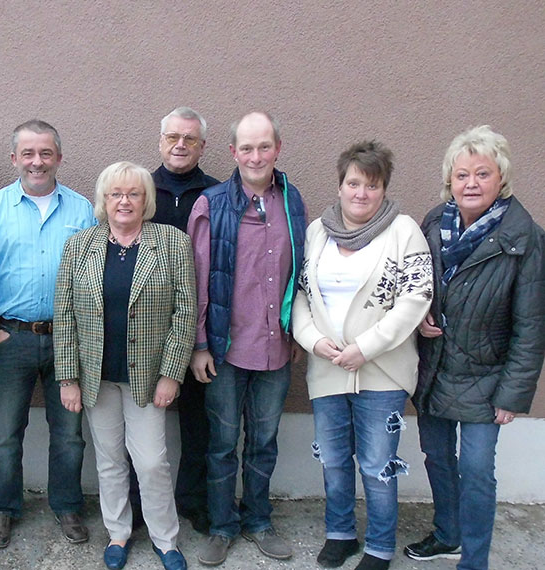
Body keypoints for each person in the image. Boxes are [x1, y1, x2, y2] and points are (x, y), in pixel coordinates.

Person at [406, 125, 545, 570]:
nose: (471, 184)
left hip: (489, 379)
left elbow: (531, 325)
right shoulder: (433, 222)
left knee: (478, 472)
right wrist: (419, 317)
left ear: (500, 178)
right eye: (462, 174)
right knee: (438, 459)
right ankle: (448, 534)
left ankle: (475, 560)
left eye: (482, 174)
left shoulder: (524, 237)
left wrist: (513, 395)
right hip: (437, 367)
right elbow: (416, 285)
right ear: (450, 179)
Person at [292, 141, 433, 570]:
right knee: (333, 460)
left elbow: (416, 299)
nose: (361, 193)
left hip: (381, 373)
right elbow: (299, 295)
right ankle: (340, 534)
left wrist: (365, 349)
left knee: (376, 465)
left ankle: (378, 547)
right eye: (353, 183)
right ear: (339, 186)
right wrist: (312, 339)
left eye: (372, 185)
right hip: (327, 367)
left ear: (384, 189)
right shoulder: (318, 231)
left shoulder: (404, 230)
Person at [54, 162, 196, 570]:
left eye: (133, 193)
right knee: (110, 460)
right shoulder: (80, 246)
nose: (124, 201)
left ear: (146, 199)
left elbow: (185, 313)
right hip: (97, 377)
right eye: (116, 193)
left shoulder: (171, 243)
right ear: (104, 199)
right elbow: (65, 316)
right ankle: (117, 532)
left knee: (152, 461)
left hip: (149, 378)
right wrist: (69, 378)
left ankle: (165, 540)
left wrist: (171, 374)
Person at [189, 111, 307, 566]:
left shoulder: (292, 200)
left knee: (263, 441)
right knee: (221, 442)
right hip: (225, 349)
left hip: (276, 348)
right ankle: (222, 525)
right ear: (232, 152)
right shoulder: (212, 204)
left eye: (264, 146)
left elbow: (302, 273)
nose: (256, 156)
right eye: (247, 147)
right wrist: (199, 344)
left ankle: (258, 520)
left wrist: (297, 328)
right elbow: (199, 280)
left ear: (277, 148)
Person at [0, 119, 96, 549]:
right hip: (11, 336)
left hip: (68, 337)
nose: (37, 162)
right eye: (28, 153)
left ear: (59, 157)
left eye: (45, 153)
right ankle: (2, 510)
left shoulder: (83, 211)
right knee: (5, 431)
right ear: (13, 159)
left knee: (69, 431)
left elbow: (92, 277)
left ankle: (67, 505)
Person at [149, 107, 220, 533]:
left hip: (198, 327)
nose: (180, 145)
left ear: (202, 146)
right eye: (173, 137)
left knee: (199, 423)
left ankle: (194, 501)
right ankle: (141, 506)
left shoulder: (216, 193)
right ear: (160, 141)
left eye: (190, 139)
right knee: (143, 424)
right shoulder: (140, 189)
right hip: (146, 328)